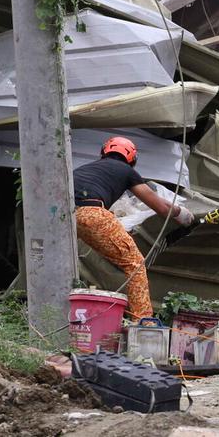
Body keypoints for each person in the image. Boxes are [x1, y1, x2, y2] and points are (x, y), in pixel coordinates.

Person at [73, 136, 194, 321]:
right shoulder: (126, 171)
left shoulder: (83, 169)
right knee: (135, 265)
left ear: (103, 153)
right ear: (132, 159)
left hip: (66, 218)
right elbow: (161, 208)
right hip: (93, 214)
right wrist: (181, 213)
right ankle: (143, 322)